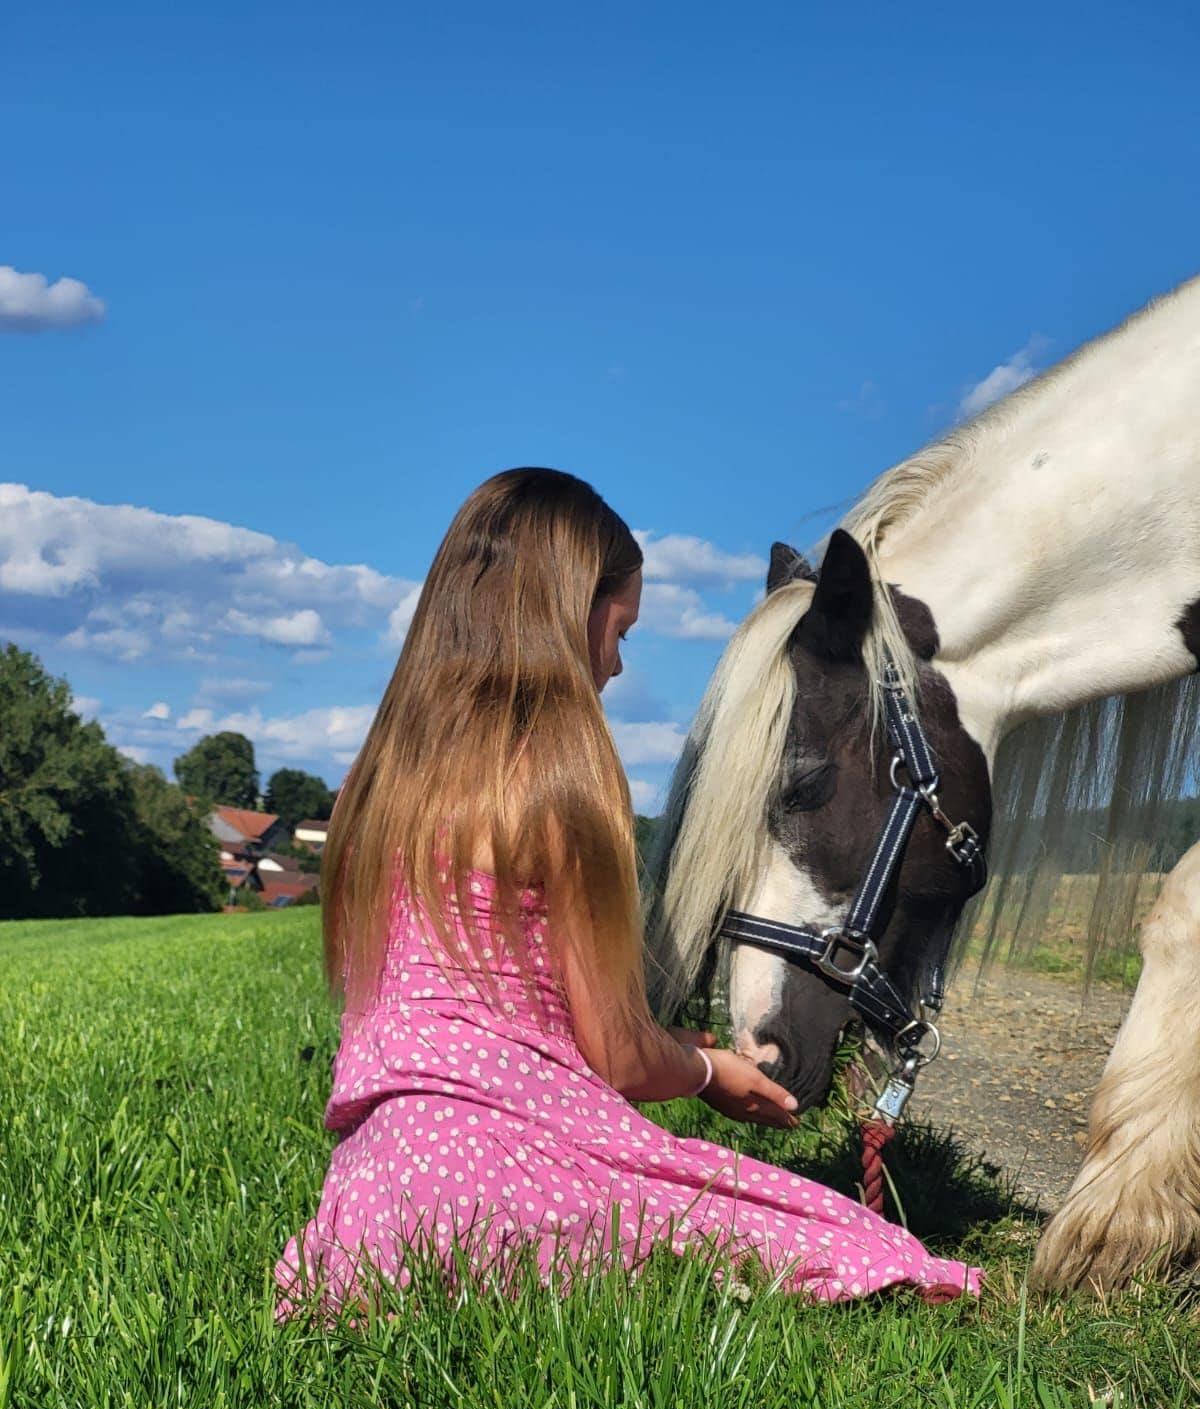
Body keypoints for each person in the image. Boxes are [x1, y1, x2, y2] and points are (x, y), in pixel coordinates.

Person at [274, 468, 981, 1316]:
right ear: (570, 611)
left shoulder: (374, 784)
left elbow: (498, 1015)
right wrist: (704, 1068)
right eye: (621, 630)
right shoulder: (560, 781)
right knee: (843, 1240)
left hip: (376, 1196)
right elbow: (615, 1054)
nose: (615, 663)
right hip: (500, 1183)